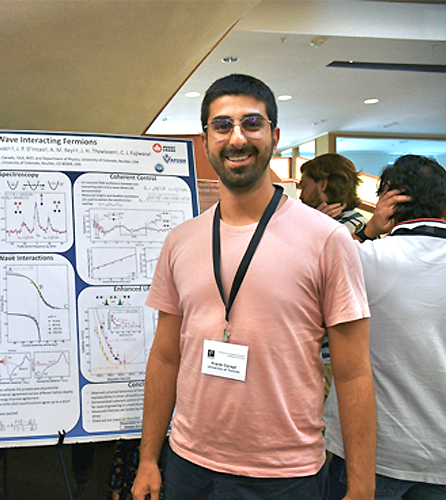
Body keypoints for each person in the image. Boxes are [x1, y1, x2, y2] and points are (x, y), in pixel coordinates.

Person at [131, 74, 376, 500]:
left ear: (274, 136)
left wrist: (361, 487)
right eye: (222, 126)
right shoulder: (181, 240)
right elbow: (166, 355)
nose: (237, 138)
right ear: (206, 140)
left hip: (285, 475)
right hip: (188, 467)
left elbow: (354, 373)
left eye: (252, 124)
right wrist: (149, 459)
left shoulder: (327, 240)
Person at [324, 155, 446, 500]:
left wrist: (368, 229)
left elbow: (320, 268)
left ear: (388, 200)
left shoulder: (368, 259)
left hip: (372, 455)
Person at [298, 153, 367, 399]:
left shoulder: (352, 228)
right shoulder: (319, 224)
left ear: (323, 184)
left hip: (329, 355)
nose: (300, 194)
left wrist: (317, 229)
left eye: (304, 185)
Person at [299, 153, 366, 233]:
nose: (301, 196)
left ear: (323, 184)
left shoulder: (346, 228)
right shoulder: (356, 222)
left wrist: (314, 226)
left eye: (304, 187)